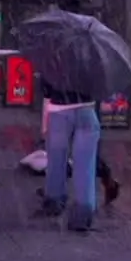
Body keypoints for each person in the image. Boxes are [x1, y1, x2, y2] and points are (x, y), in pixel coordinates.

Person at [39, 86, 104, 231]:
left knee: (56, 160)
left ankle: (54, 201)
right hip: (86, 110)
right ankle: (82, 214)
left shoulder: (54, 62)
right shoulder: (90, 62)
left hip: (58, 110)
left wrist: (44, 122)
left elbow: (46, 90)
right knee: (85, 166)